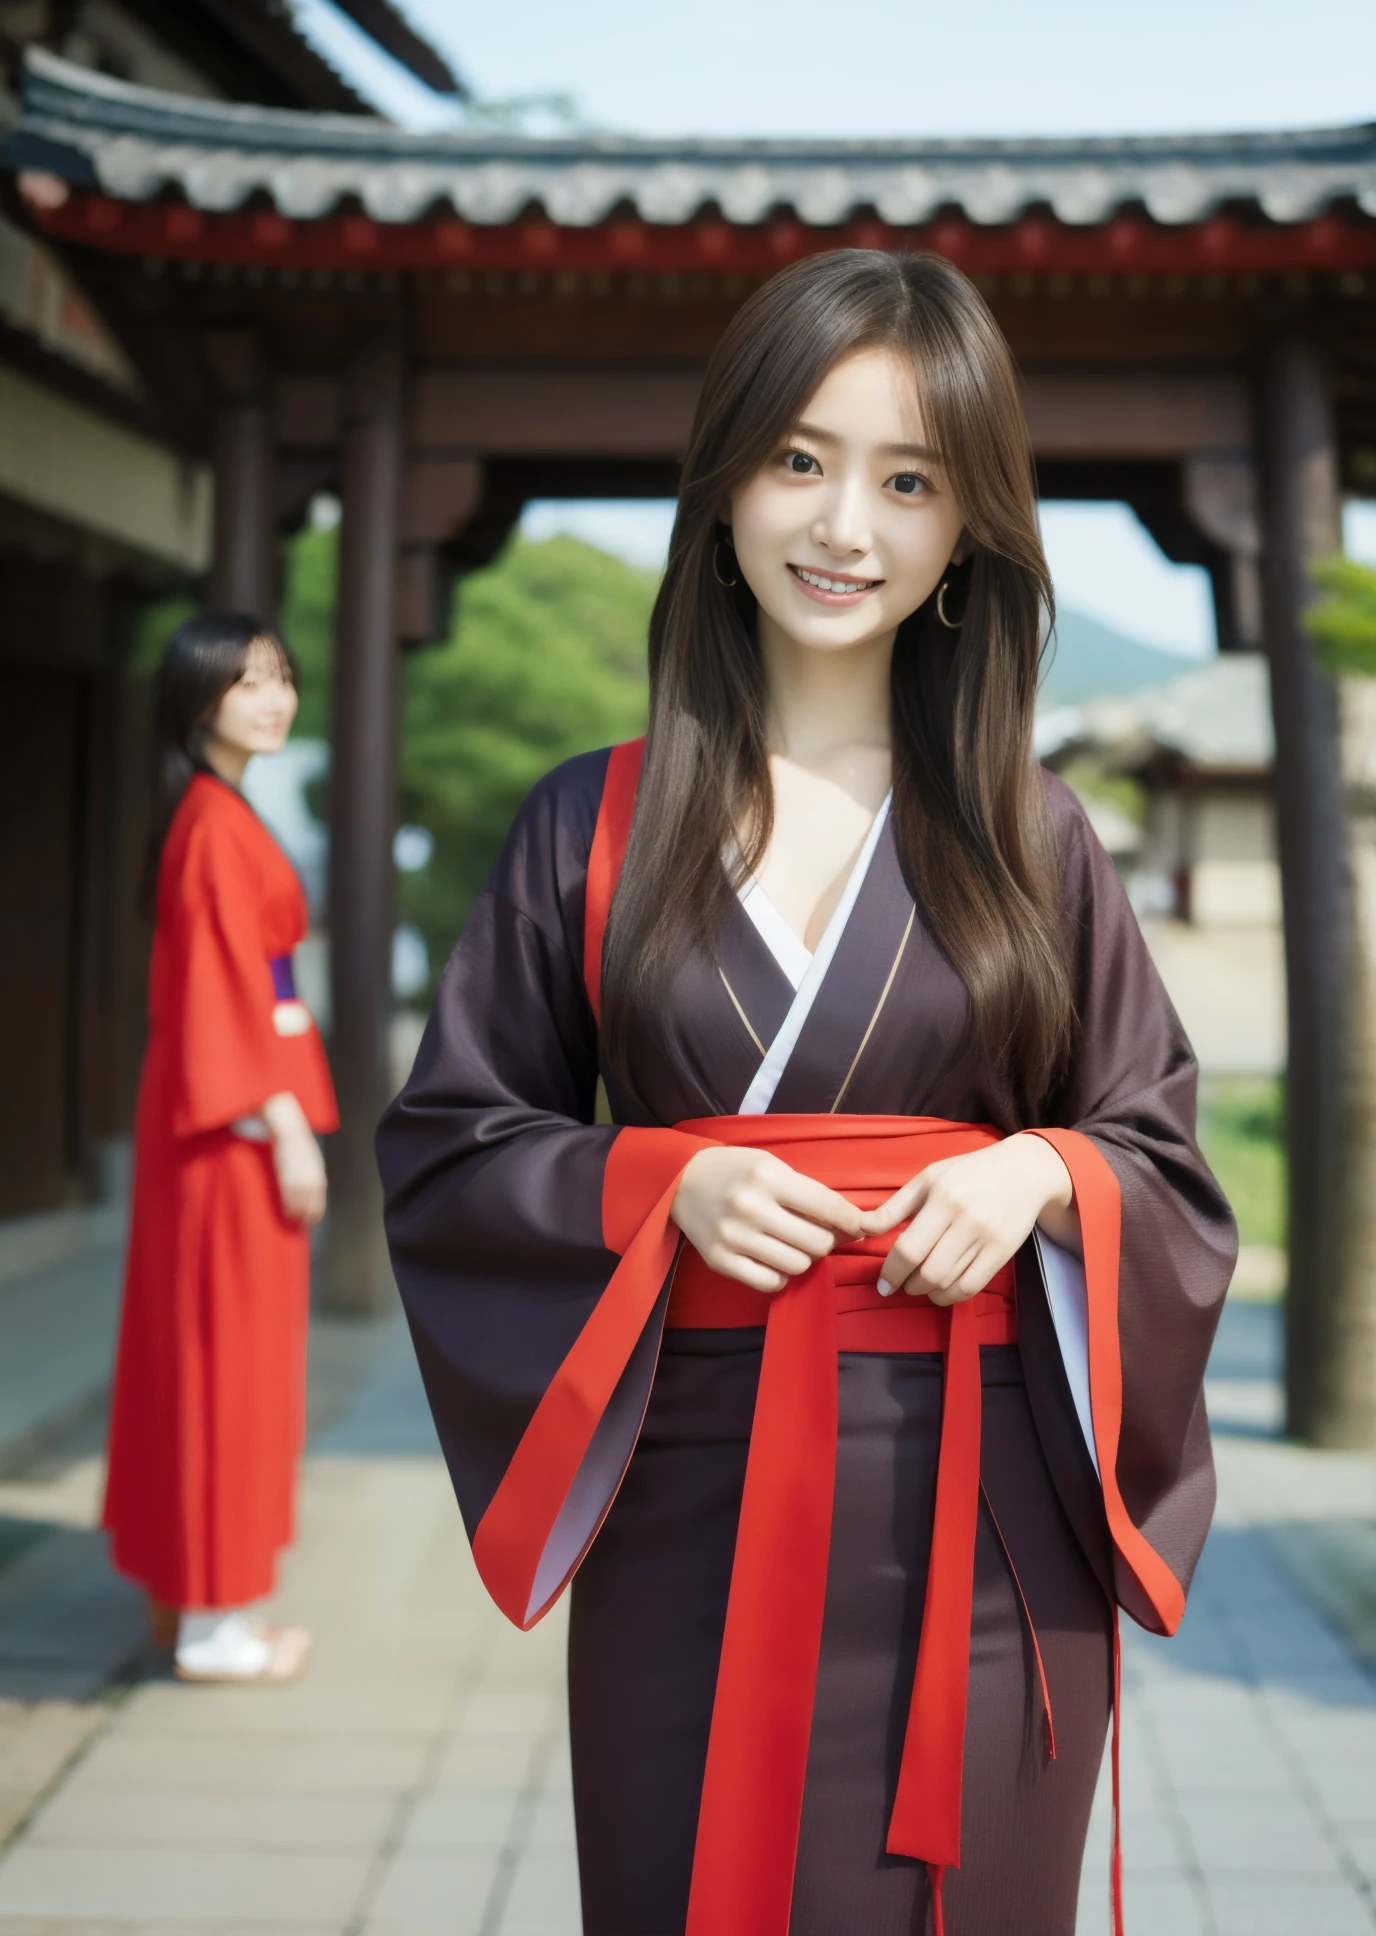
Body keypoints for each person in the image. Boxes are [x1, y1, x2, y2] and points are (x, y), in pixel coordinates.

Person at [377, 252, 1235, 1936]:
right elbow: (454, 1145)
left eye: (906, 479)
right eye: (799, 459)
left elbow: (1163, 1154)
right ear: (724, 482)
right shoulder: (588, 824)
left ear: (966, 528)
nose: (844, 525)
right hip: (691, 1515)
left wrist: (1044, 1177)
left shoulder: (1031, 830)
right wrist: (651, 1186)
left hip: (987, 1529)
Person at [104, 611, 337, 1684]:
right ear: (197, 697)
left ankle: (190, 1599)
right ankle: (211, 1624)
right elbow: (221, 1004)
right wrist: (284, 1126)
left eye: (280, 677)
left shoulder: (216, 814)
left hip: (223, 1117)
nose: (273, 698)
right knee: (222, 1365)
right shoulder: (210, 826)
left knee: (211, 1357)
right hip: (231, 1130)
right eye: (247, 682)